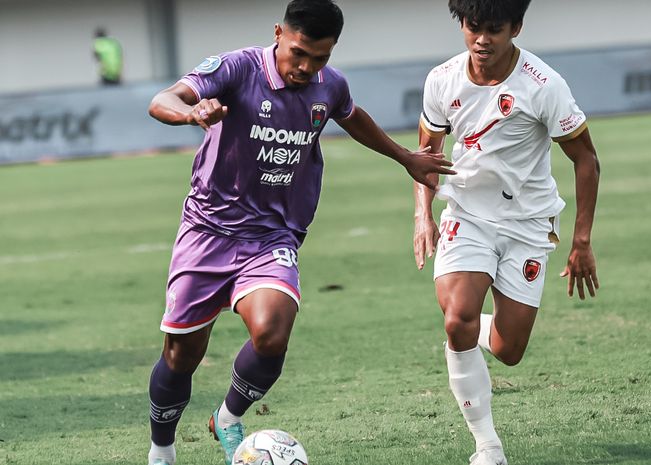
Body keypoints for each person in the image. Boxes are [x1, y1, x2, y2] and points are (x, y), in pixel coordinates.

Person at [145, 1, 455, 464]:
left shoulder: (329, 85)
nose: (306, 68)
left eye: (320, 58)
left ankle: (228, 416)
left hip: (274, 235)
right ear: (278, 33)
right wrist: (191, 114)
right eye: (298, 54)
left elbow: (352, 116)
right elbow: (162, 99)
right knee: (182, 354)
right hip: (208, 231)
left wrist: (405, 157)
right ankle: (162, 448)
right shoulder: (236, 68)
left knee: (272, 332)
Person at [412, 1, 600, 464]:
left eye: (494, 30)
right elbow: (426, 154)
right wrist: (423, 215)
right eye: (473, 27)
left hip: (528, 225)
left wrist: (581, 241)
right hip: (467, 215)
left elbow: (586, 160)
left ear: (516, 28)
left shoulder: (544, 85)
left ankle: (483, 329)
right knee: (457, 318)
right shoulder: (442, 80)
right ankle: (488, 447)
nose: (482, 39)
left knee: (509, 350)